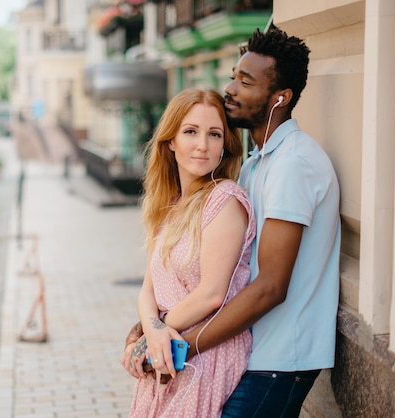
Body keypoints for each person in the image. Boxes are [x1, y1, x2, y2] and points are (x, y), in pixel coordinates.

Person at [122, 27, 341, 418]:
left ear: (280, 98)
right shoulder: (257, 162)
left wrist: (176, 342)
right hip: (253, 349)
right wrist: (150, 328)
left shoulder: (293, 164)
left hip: (280, 358)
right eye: (233, 77)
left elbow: (271, 286)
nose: (231, 89)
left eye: (245, 81)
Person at [122, 88, 256, 417]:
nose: (202, 145)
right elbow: (147, 291)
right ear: (170, 141)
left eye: (214, 134)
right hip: (168, 348)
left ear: (226, 144)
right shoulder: (168, 207)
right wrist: (152, 331)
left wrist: (150, 335)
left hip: (206, 352)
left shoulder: (224, 200)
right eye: (191, 132)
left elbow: (212, 294)